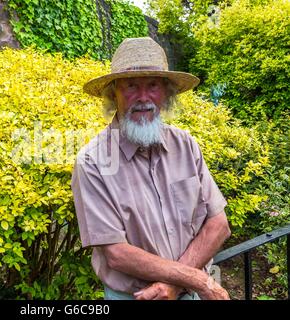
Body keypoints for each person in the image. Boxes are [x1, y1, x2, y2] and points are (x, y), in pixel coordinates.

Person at [71, 37, 231, 300]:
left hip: (189, 292)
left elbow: (218, 223)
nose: (143, 98)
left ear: (166, 93)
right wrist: (198, 279)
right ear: (114, 93)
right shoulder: (92, 162)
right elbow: (117, 254)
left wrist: (175, 285)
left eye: (153, 86)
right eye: (131, 85)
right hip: (137, 297)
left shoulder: (186, 145)